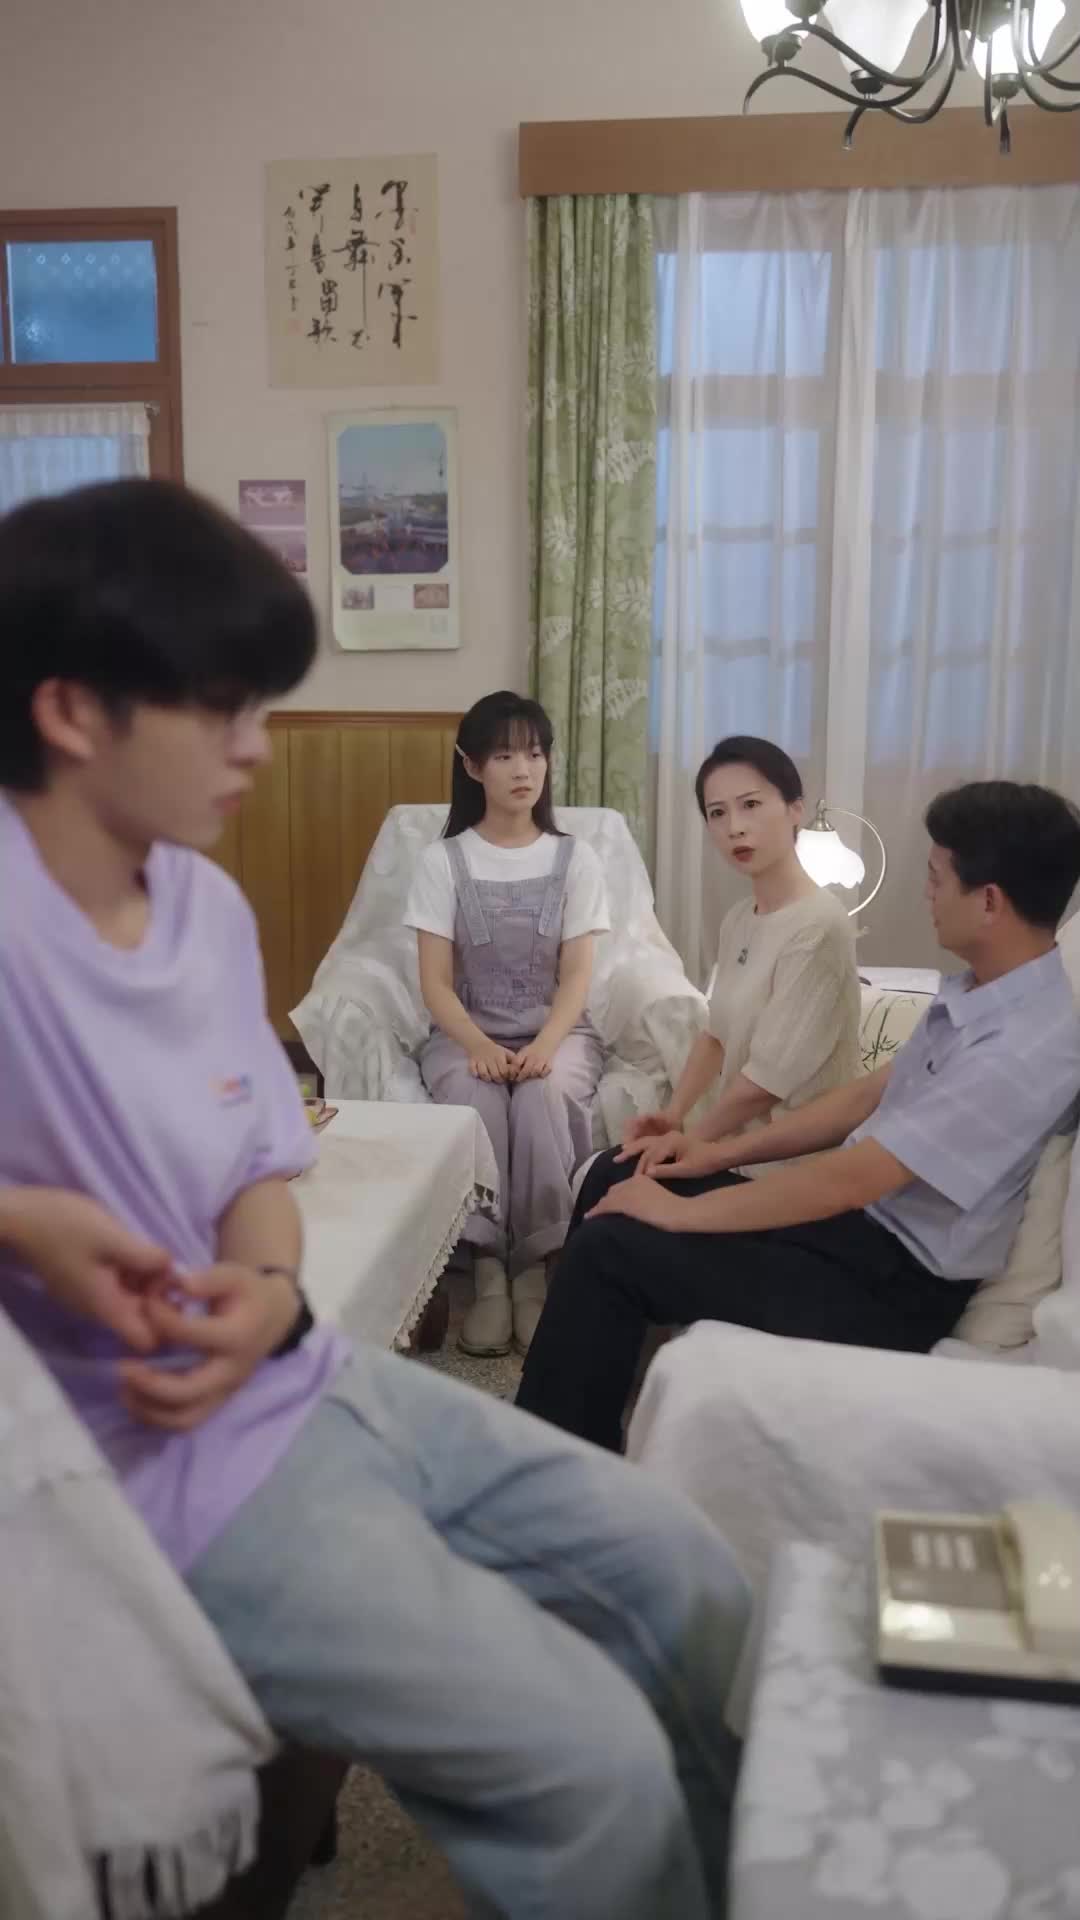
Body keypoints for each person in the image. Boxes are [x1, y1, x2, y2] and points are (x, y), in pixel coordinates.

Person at [0, 479, 748, 1920]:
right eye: (221, 706)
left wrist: (268, 1289)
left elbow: (259, 1174)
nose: (256, 746)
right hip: (142, 1467)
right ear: (73, 711)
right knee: (590, 1772)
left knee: (687, 1574)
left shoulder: (202, 908)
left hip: (298, 1372)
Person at [517, 781, 1080, 1451]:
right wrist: (709, 1152)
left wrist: (679, 1213)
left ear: (989, 901)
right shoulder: (980, 995)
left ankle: (551, 1464)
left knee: (611, 1248)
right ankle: (580, 1420)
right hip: (853, 1236)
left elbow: (855, 1178)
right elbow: (866, 1097)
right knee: (623, 1169)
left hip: (889, 1288)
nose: (926, 895)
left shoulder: (1022, 1051)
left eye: (936, 879)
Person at [405, 692, 609, 1355]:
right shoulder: (442, 862)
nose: (524, 769)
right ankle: (490, 1271)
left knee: (545, 1095)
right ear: (471, 766)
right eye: (503, 756)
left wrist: (547, 1043)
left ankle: (536, 1270)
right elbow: (435, 983)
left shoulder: (577, 859)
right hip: (464, 1034)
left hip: (558, 1033)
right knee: (475, 1097)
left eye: (535, 753)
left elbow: (576, 977)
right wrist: (477, 1045)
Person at [622, 735, 860, 1180]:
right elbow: (715, 1037)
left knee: (621, 1194)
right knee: (610, 1172)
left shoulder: (820, 926)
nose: (734, 827)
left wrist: (695, 1141)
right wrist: (673, 1118)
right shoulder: (739, 919)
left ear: (795, 809)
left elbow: (767, 1082)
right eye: (717, 813)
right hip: (732, 1152)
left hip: (790, 1167)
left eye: (750, 805)